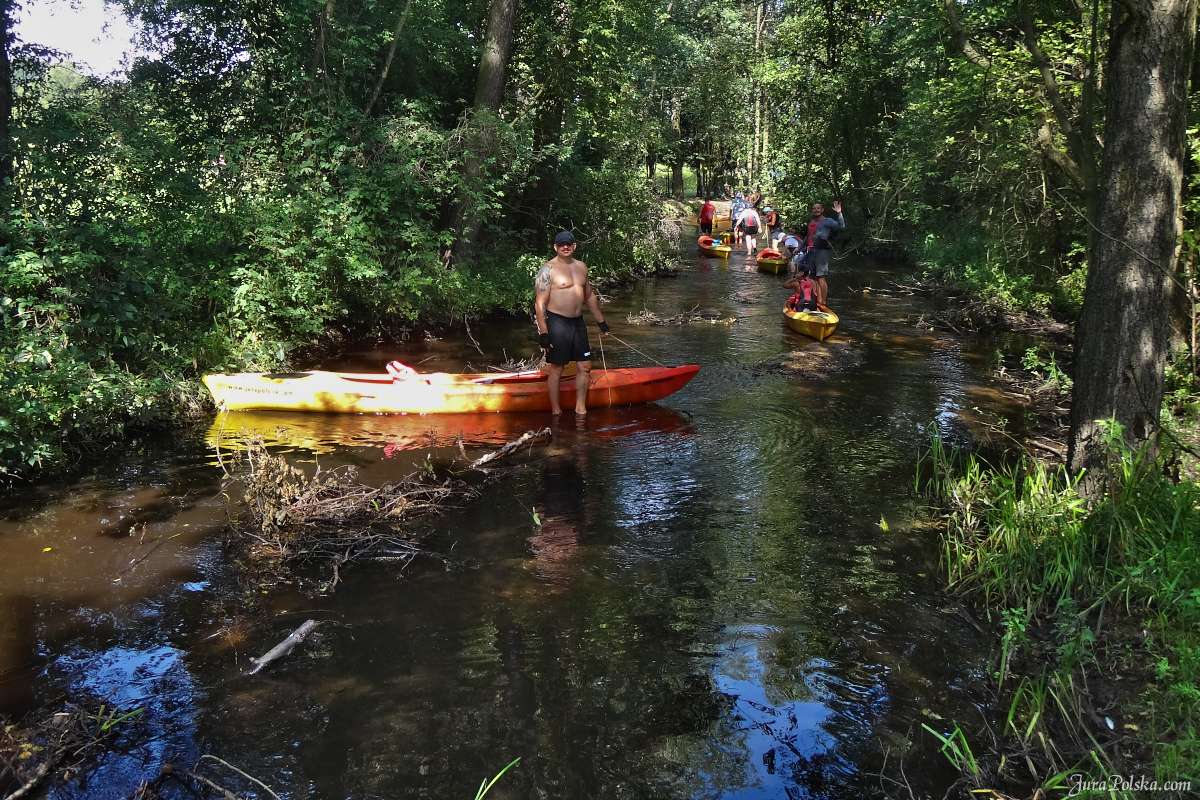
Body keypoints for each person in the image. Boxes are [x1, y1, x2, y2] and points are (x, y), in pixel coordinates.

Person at [534, 231, 610, 415]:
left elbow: (589, 295)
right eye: (561, 245)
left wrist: (601, 321)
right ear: (556, 247)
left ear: (574, 246)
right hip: (557, 323)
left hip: (578, 323)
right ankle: (556, 411)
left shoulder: (581, 267)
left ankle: (580, 409)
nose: (565, 247)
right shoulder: (547, 270)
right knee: (557, 368)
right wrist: (544, 333)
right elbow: (540, 303)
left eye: (568, 244)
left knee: (585, 366)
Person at [802, 201, 844, 306]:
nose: (816, 210)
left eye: (818, 208)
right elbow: (808, 237)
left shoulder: (827, 221)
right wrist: (799, 248)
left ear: (822, 210)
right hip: (811, 251)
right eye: (814, 208)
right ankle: (816, 299)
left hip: (821, 252)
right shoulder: (811, 221)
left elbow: (841, 226)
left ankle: (823, 302)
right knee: (813, 277)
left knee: (821, 278)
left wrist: (839, 213)